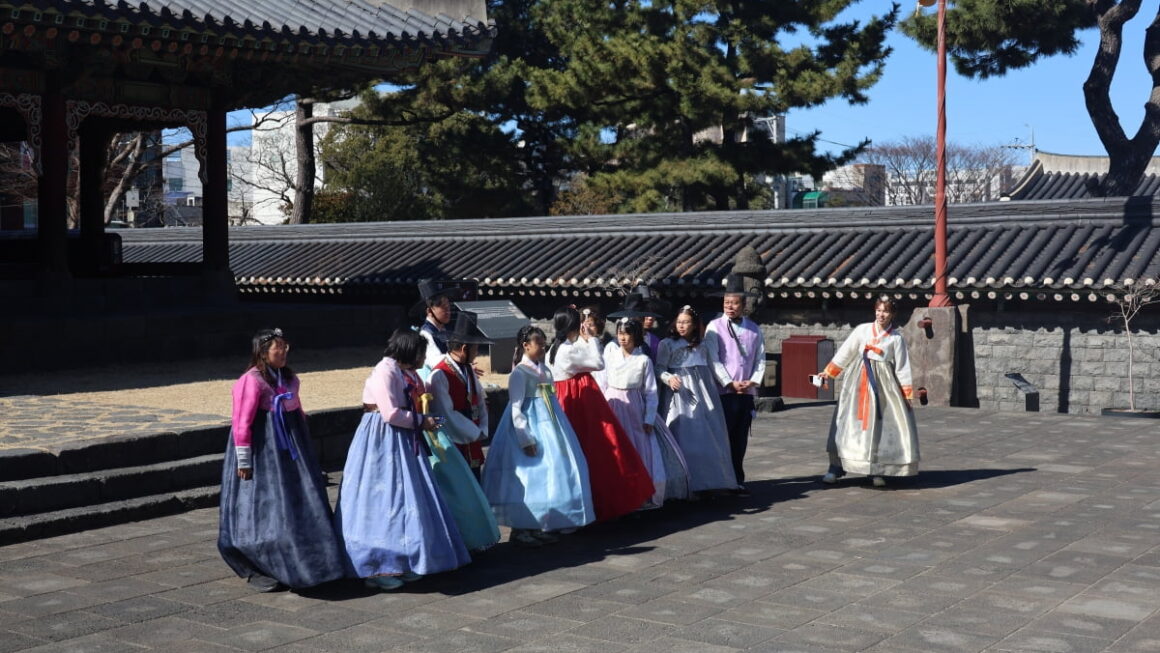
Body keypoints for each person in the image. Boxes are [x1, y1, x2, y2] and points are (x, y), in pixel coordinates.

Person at [334, 329, 470, 591]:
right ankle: (376, 565)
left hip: (402, 437)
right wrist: (422, 422)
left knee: (405, 497)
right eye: (420, 352)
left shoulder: (403, 371)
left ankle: (402, 559)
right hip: (381, 438)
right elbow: (390, 413)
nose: (422, 358)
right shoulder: (385, 371)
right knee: (383, 498)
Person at [218, 328, 346, 592]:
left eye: (286, 346)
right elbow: (241, 423)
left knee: (300, 498)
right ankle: (262, 556)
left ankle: (309, 555)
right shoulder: (251, 381)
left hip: (291, 447)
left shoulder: (287, 378)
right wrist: (244, 460)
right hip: (263, 449)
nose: (284, 351)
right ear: (263, 352)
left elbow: (297, 409)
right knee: (266, 503)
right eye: (279, 347)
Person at [481, 325, 596, 546]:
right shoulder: (519, 373)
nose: (543, 348)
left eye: (544, 344)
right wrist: (525, 439)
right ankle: (522, 527)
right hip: (530, 426)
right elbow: (516, 407)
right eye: (539, 344)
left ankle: (542, 522)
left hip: (551, 423)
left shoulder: (545, 370)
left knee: (548, 476)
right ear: (526, 345)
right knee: (529, 478)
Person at [548, 306, 655, 521]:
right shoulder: (567, 350)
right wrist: (592, 339)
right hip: (579, 399)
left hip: (570, 396)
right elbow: (597, 363)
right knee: (602, 447)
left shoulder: (557, 347)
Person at [817, 297, 919, 488]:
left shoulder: (896, 338)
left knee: (879, 428)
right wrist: (829, 372)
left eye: (886, 311)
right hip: (857, 383)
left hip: (884, 388)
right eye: (879, 310)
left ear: (893, 315)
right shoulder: (863, 330)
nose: (881, 314)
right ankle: (836, 467)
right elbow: (846, 352)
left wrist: (906, 395)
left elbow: (903, 368)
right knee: (848, 424)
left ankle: (876, 469)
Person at [425, 311, 501, 552]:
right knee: (458, 493)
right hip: (454, 440)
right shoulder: (440, 374)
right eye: (475, 348)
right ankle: (462, 538)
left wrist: (482, 427)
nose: (478, 353)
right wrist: (473, 431)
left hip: (471, 437)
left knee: (475, 489)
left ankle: (478, 535)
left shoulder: (466, 369)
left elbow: (480, 399)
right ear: (463, 347)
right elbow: (446, 413)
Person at [599, 318, 691, 506]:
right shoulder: (610, 356)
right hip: (613, 404)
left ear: (636, 336)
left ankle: (639, 492)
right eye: (620, 333)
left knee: (638, 449)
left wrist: (649, 418)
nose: (623, 338)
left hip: (634, 407)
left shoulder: (643, 360)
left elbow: (650, 391)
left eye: (627, 333)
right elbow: (602, 384)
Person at [656, 305, 739, 494]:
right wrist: (669, 378)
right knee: (680, 435)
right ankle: (682, 484)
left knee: (708, 436)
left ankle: (709, 482)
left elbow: (714, 364)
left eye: (686, 322)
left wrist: (729, 383)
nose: (682, 326)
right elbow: (659, 368)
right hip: (679, 395)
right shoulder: (666, 344)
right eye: (679, 322)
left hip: (704, 392)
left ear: (695, 325)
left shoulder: (702, 345)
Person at [705, 275, 766, 494]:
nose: (730, 306)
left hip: (746, 391)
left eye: (734, 302)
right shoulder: (714, 327)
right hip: (724, 392)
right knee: (723, 437)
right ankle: (721, 479)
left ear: (743, 304)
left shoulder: (754, 329)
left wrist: (753, 381)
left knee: (740, 438)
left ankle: (738, 478)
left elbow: (760, 358)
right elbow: (713, 359)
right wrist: (729, 383)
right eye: (726, 302)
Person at [414, 279, 461, 372]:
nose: (448, 310)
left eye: (448, 306)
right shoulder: (425, 334)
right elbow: (437, 361)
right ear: (429, 311)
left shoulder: (445, 329)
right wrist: (460, 364)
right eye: (443, 307)